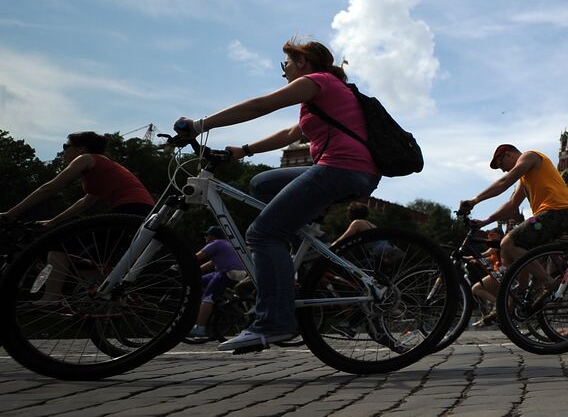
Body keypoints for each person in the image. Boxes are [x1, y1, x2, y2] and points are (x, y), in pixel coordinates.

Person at [175, 38, 379, 351]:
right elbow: (289, 134)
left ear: (302, 62)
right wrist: (243, 151)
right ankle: (305, 238)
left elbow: (262, 105)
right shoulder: (322, 95)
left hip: (341, 169)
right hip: (349, 169)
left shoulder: (316, 82)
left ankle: (274, 322)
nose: (283, 70)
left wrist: (202, 124)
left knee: (262, 234)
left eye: (285, 63)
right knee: (262, 183)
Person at [458, 144, 568, 307]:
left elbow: (505, 182)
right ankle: (526, 294)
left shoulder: (530, 156)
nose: (503, 170)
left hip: (556, 212)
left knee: (507, 243)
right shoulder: (525, 177)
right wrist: (486, 221)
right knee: (520, 250)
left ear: (508, 155)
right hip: (556, 214)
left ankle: (549, 283)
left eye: (501, 165)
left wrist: (475, 200)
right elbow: (511, 205)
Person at [0, 131, 155, 227]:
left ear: (81, 149)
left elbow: (50, 187)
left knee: (59, 248)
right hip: (143, 210)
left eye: (66, 146)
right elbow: (83, 203)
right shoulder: (102, 168)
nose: (64, 151)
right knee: (92, 258)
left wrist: (11, 213)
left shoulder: (86, 158)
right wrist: (52, 222)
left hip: (129, 209)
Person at [190, 227, 247, 340]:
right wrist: (193, 273)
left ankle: (199, 329)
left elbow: (194, 258)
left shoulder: (216, 243)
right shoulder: (226, 244)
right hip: (234, 273)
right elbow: (211, 263)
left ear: (213, 236)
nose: (205, 237)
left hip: (227, 273)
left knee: (208, 298)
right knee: (199, 280)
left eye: (207, 235)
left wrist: (181, 265)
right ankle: (219, 302)